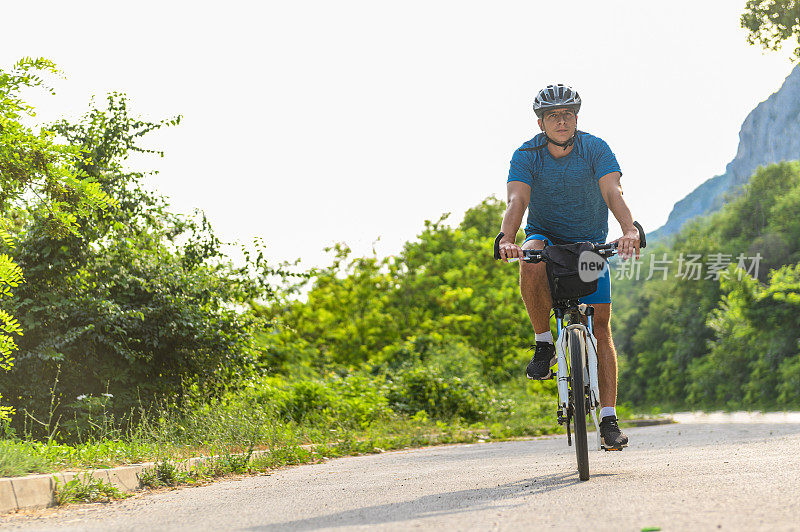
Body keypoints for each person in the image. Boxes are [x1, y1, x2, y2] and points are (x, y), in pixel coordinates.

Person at [497, 84, 640, 450]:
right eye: (553, 116)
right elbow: (517, 198)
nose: (561, 121)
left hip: (590, 244)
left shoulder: (596, 148)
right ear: (541, 122)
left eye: (568, 114)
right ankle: (544, 343)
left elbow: (613, 192)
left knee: (602, 326)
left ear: (576, 117)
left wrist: (628, 229)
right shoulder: (527, 155)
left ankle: (608, 418)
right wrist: (506, 237)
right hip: (546, 237)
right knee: (530, 257)